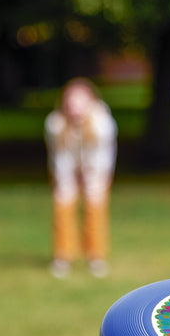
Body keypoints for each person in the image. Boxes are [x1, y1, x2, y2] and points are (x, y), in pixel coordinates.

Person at [44, 77, 117, 278]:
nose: (75, 107)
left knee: (95, 207)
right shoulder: (55, 124)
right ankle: (63, 256)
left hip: (96, 169)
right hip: (66, 169)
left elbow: (102, 156)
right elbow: (60, 156)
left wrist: (90, 176)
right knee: (63, 204)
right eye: (71, 101)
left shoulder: (102, 123)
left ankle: (96, 256)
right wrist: (68, 179)